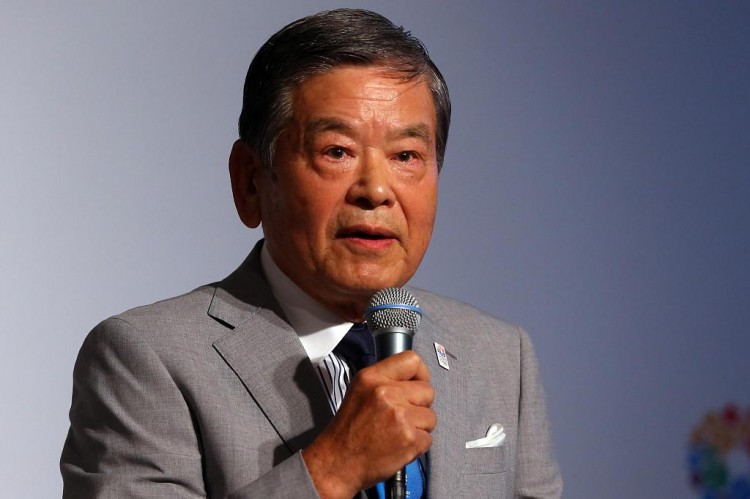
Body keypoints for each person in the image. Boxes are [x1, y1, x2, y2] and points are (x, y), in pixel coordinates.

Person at [61, 8, 562, 498]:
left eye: (406, 156)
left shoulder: (500, 355)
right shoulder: (146, 358)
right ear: (251, 181)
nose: (376, 190)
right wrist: (333, 471)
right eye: (337, 151)